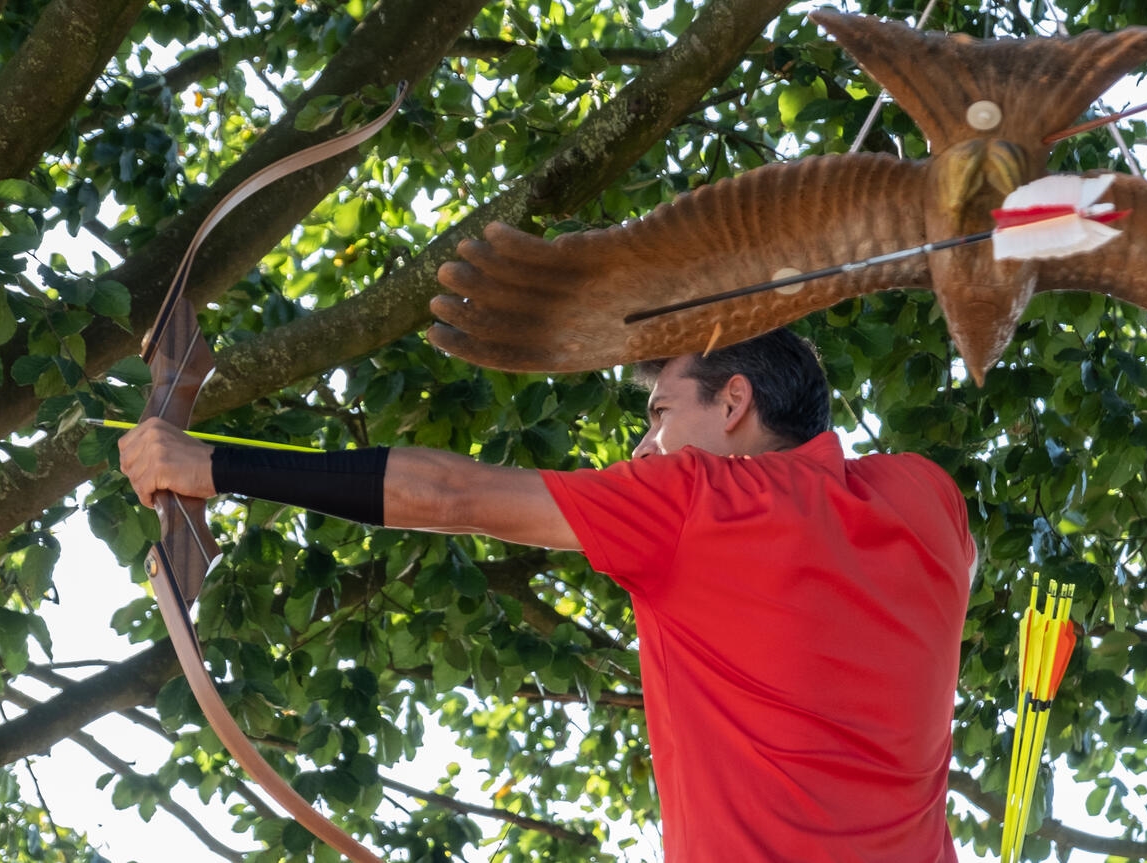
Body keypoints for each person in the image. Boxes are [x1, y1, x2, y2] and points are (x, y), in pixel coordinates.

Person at [119, 327, 976, 862]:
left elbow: (452, 494)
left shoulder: (693, 500)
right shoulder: (928, 501)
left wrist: (207, 465)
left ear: (735, 401)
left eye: (659, 410)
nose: (646, 445)